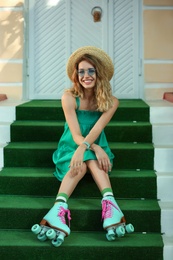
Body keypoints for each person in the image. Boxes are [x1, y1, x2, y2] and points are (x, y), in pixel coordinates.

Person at [32, 46, 132, 246]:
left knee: (91, 160)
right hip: (71, 145)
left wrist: (92, 147)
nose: (86, 75)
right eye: (81, 71)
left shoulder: (111, 102)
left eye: (91, 71)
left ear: (99, 73)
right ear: (76, 75)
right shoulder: (69, 97)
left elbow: (96, 130)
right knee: (84, 162)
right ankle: (59, 208)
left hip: (95, 146)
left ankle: (110, 204)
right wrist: (85, 148)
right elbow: (77, 135)